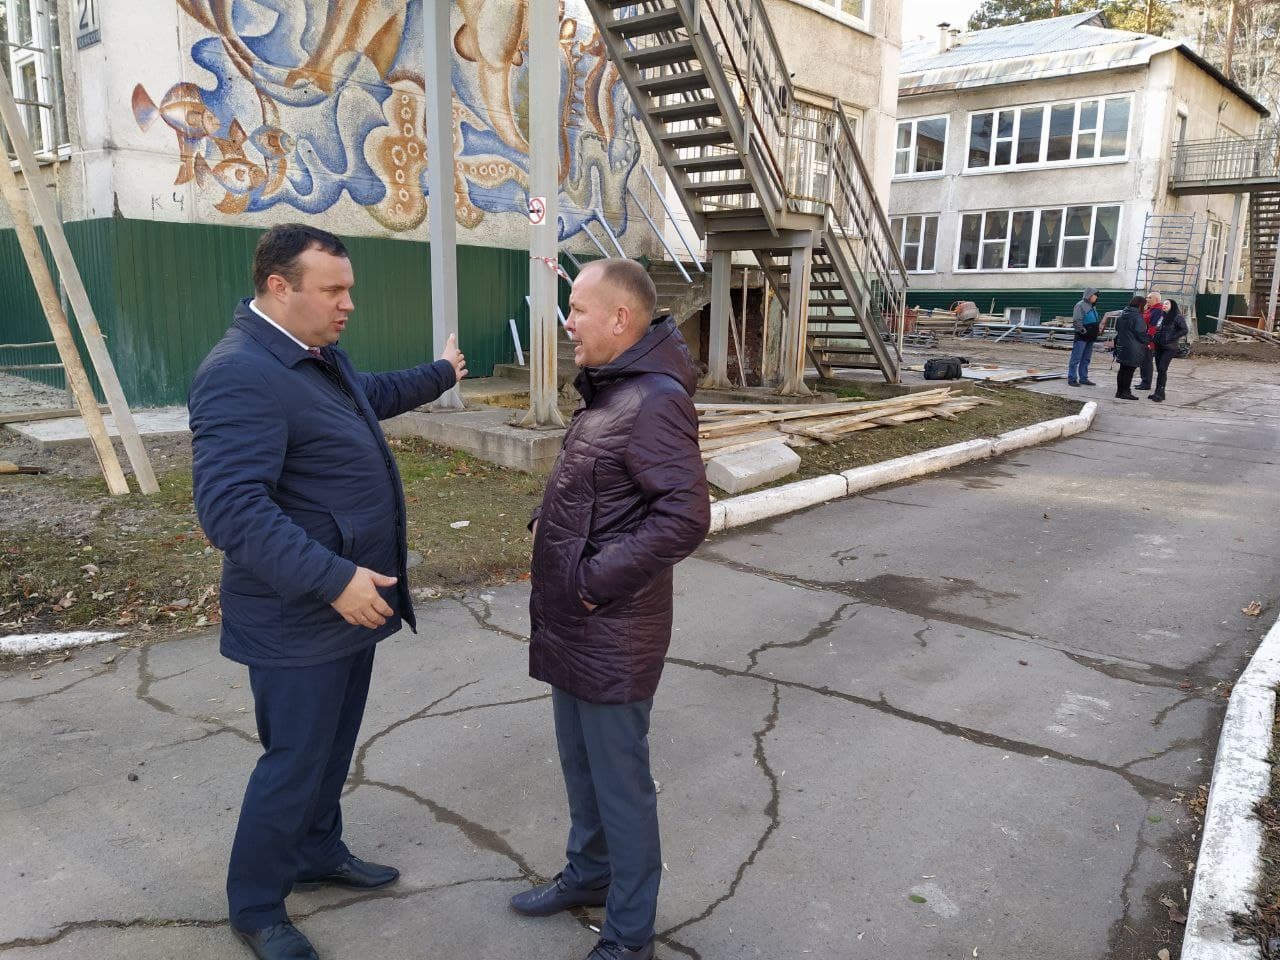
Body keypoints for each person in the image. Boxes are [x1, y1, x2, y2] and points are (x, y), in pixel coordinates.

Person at [189, 223, 468, 960]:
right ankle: (256, 906)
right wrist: (333, 577)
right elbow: (231, 510)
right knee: (293, 762)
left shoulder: (314, 359)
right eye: (333, 290)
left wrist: (441, 373)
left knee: (330, 748)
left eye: (350, 290)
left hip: (349, 605)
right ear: (279, 287)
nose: (349, 304)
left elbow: (372, 395)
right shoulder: (240, 373)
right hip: (299, 612)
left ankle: (316, 850)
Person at [511, 258, 710, 960]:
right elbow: (601, 486)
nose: (568, 322)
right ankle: (589, 875)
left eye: (578, 309)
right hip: (574, 622)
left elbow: (684, 516)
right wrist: (550, 525)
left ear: (620, 318)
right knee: (582, 767)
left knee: (620, 786)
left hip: (612, 626)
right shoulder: (612, 391)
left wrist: (593, 579)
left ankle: (629, 936)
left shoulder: (654, 399)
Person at [1150, 297, 1189, 402]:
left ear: (1172, 306)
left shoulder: (1177, 317)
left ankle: (1160, 393)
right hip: (1159, 345)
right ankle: (1158, 392)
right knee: (1159, 369)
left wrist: (1172, 337)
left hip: (1169, 347)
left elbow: (1184, 330)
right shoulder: (1162, 316)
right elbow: (1158, 329)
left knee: (1162, 368)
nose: (1164, 305)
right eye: (1164, 303)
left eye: (1167, 304)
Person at [1114, 294, 1151, 400]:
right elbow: (1140, 333)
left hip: (1122, 345)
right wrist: (1149, 339)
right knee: (1129, 371)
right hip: (1133, 348)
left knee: (1123, 370)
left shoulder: (1123, 314)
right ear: (1140, 305)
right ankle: (1125, 392)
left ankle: (1119, 391)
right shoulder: (1137, 317)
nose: (1146, 307)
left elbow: (1117, 328)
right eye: (1145, 305)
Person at [1068, 287, 1101, 386]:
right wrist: (1083, 331)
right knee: (1076, 358)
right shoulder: (1080, 305)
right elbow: (1076, 321)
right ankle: (1072, 378)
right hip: (1082, 336)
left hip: (1090, 336)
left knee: (1086, 359)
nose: (1096, 297)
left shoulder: (1092, 306)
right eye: (1095, 295)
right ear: (1090, 295)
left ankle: (1083, 378)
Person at [1137, 292, 1164, 391]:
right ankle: (1144, 381)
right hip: (1145, 338)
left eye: (1150, 298)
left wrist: (1148, 340)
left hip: (1149, 340)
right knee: (1143, 361)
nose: (1147, 299)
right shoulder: (1150, 309)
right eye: (1147, 297)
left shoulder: (1157, 311)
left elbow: (1153, 327)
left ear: (1156, 300)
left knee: (1146, 362)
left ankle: (1146, 383)